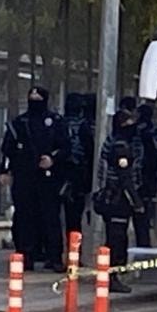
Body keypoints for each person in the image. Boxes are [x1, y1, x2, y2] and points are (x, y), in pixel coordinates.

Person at [0, 86, 69, 270]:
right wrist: (4, 171)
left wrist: (52, 159)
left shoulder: (55, 122)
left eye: (38, 97)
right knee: (24, 218)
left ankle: (54, 257)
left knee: (50, 217)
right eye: (32, 97)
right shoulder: (20, 123)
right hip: (24, 178)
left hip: (48, 180)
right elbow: (8, 150)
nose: (35, 100)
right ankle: (26, 256)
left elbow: (65, 147)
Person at [92, 108, 146, 294]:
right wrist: (136, 202)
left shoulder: (114, 141)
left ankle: (111, 275)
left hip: (113, 197)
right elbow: (125, 178)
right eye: (129, 123)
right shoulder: (120, 146)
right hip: (117, 200)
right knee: (116, 240)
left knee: (115, 238)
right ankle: (111, 276)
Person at [61, 93, 95, 238]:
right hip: (77, 175)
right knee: (74, 217)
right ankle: (74, 252)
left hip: (61, 174)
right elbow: (90, 151)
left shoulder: (59, 123)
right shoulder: (83, 126)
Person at [132, 99, 157, 248]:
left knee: (140, 218)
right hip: (150, 179)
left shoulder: (137, 132)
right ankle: (145, 246)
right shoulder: (155, 132)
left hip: (141, 179)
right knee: (144, 217)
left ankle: (143, 245)